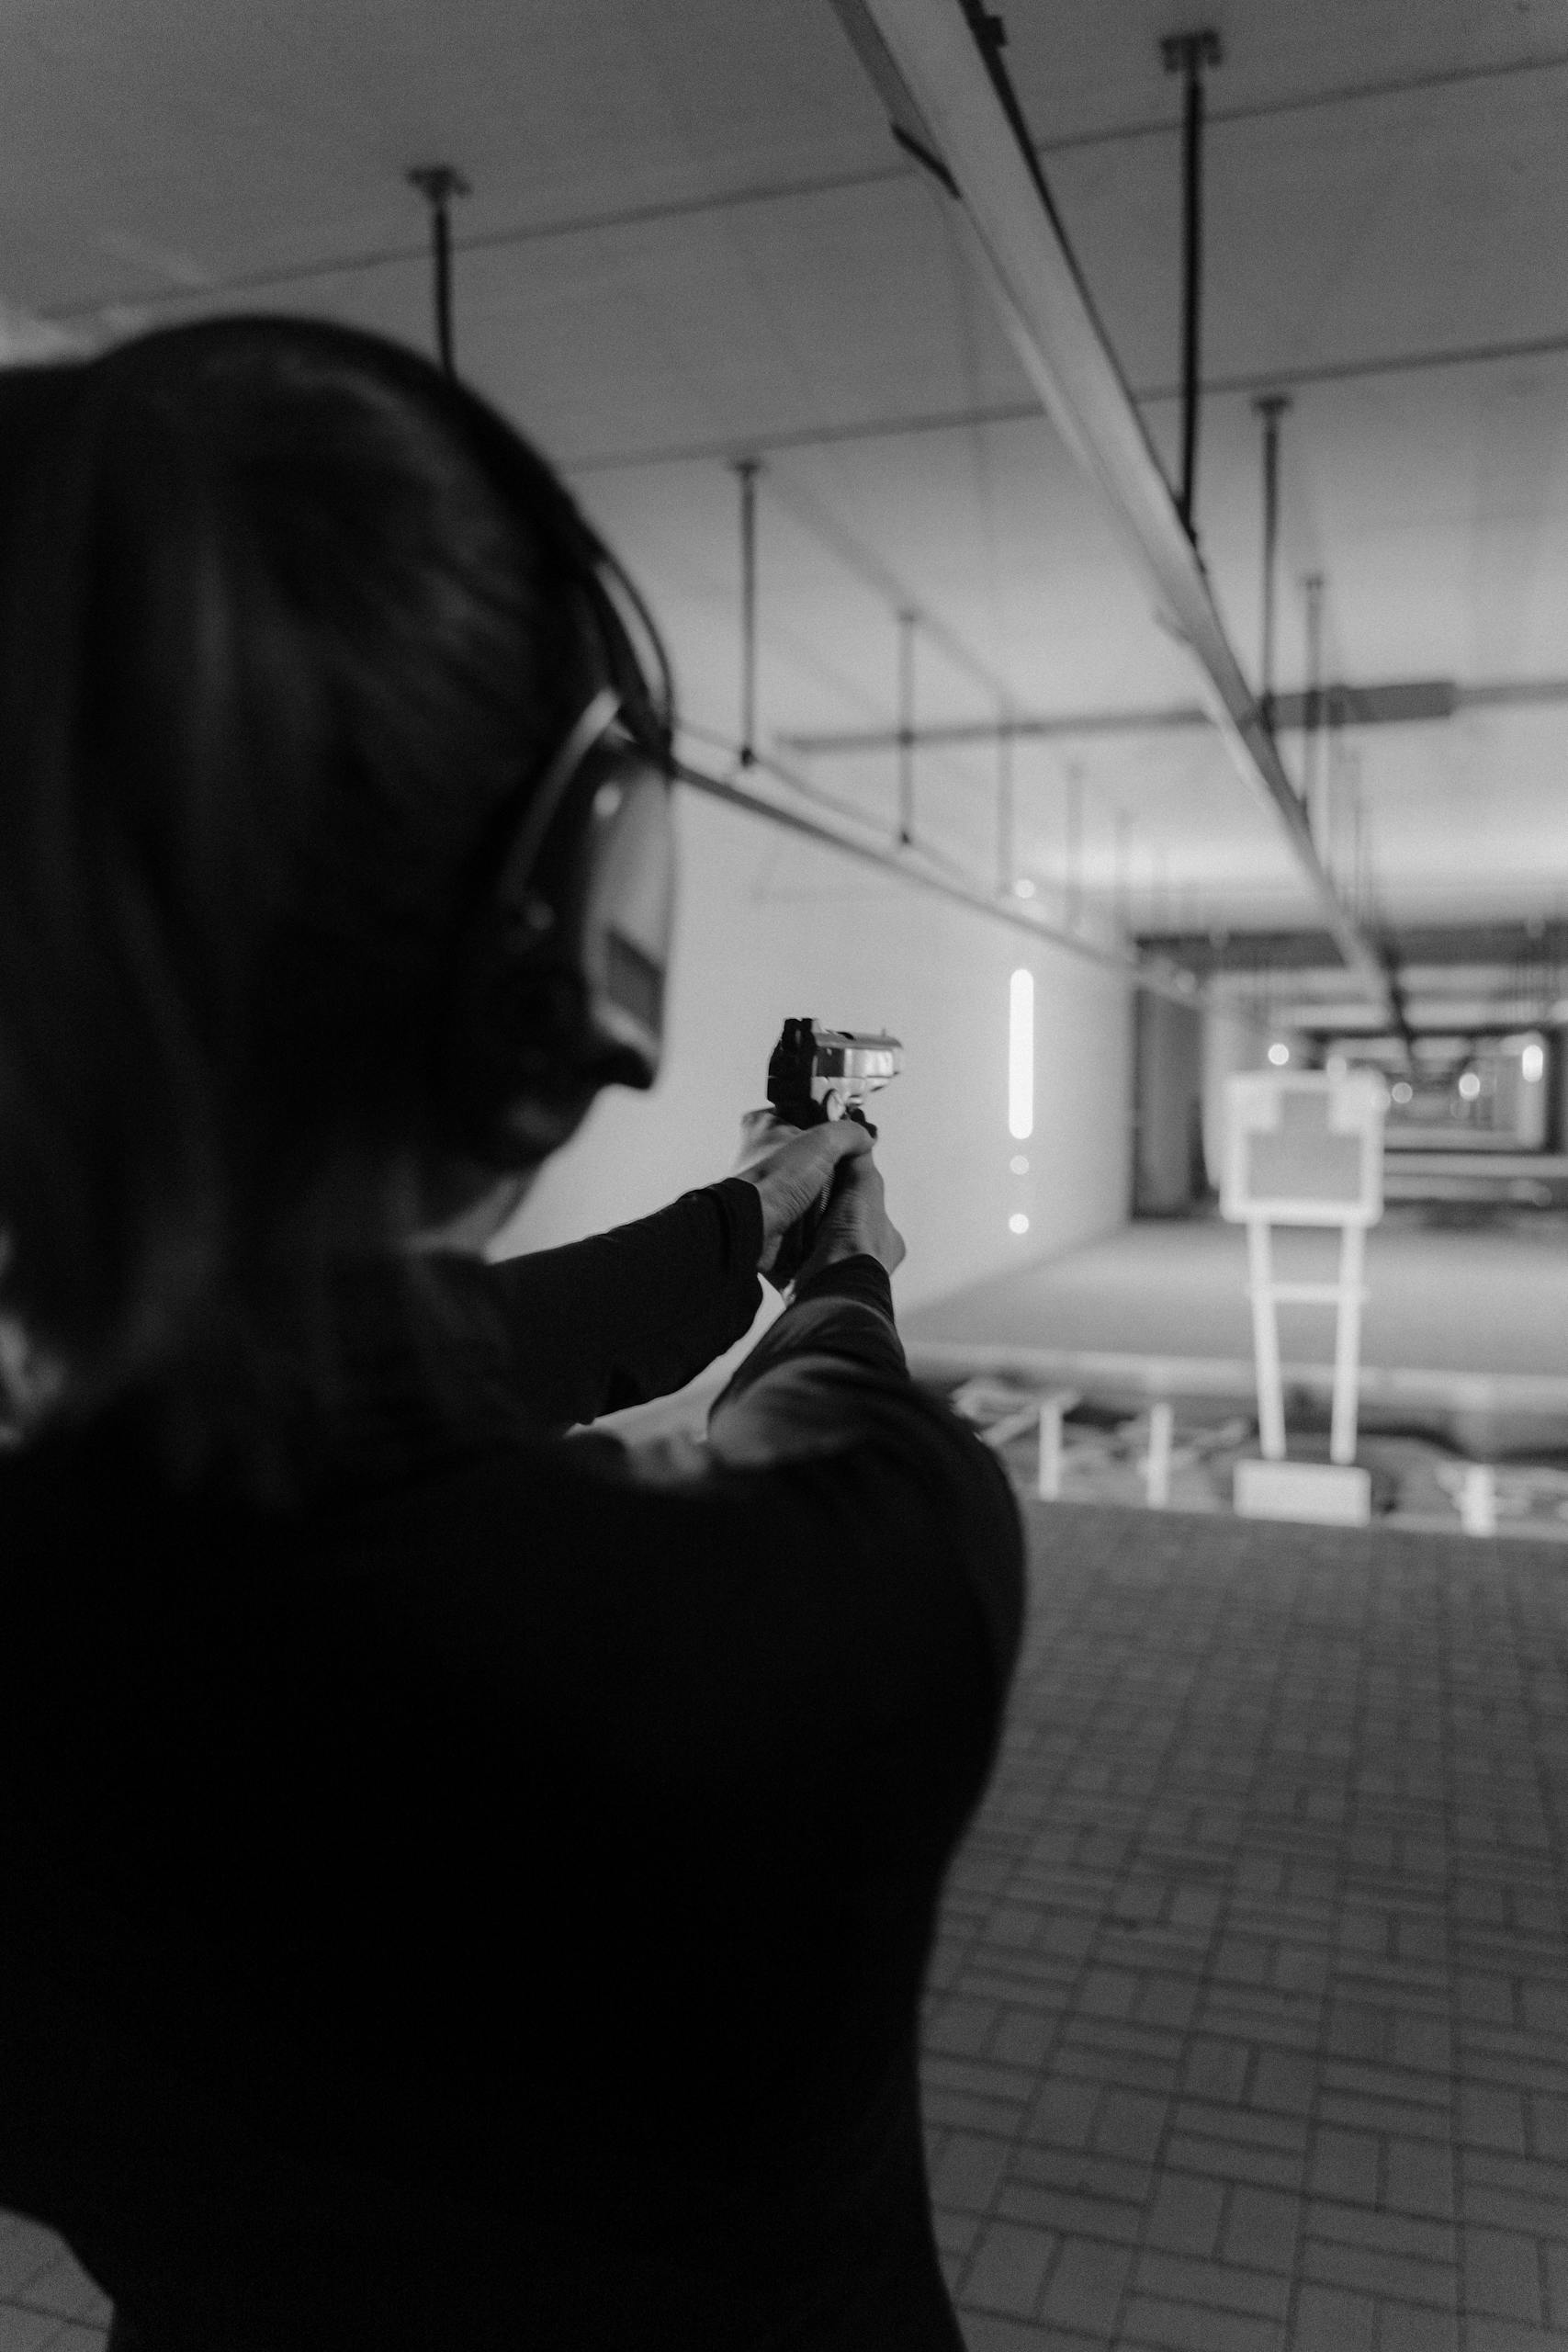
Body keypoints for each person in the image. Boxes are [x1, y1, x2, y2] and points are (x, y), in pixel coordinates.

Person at [0, 316, 1025, 2351]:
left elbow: (357, 1392)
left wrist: (744, 1218)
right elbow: (835, 1422)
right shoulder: (850, 1611)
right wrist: (837, 1251)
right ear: (562, 929)